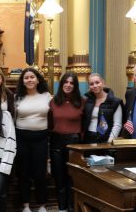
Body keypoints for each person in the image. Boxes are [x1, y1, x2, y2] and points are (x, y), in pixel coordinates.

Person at [15, 67, 51, 212]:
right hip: (22, 138)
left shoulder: (47, 96)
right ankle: (26, 205)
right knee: (24, 173)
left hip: (41, 139)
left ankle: (42, 205)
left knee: (40, 173)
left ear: (37, 80)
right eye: (26, 78)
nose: (29, 80)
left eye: (32, 77)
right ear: (22, 81)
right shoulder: (17, 97)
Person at [48, 72, 85, 212]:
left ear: (75, 86)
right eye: (66, 82)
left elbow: (85, 124)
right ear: (61, 83)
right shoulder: (53, 101)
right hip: (56, 141)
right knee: (59, 177)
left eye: (72, 83)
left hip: (74, 143)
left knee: (73, 178)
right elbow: (50, 123)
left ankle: (72, 208)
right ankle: (62, 208)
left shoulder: (82, 101)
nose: (68, 85)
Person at [82, 73, 123, 143]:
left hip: (105, 138)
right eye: (91, 84)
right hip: (88, 138)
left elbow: (117, 124)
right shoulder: (87, 101)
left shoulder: (115, 102)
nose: (95, 86)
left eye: (97, 82)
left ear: (103, 83)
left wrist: (110, 140)